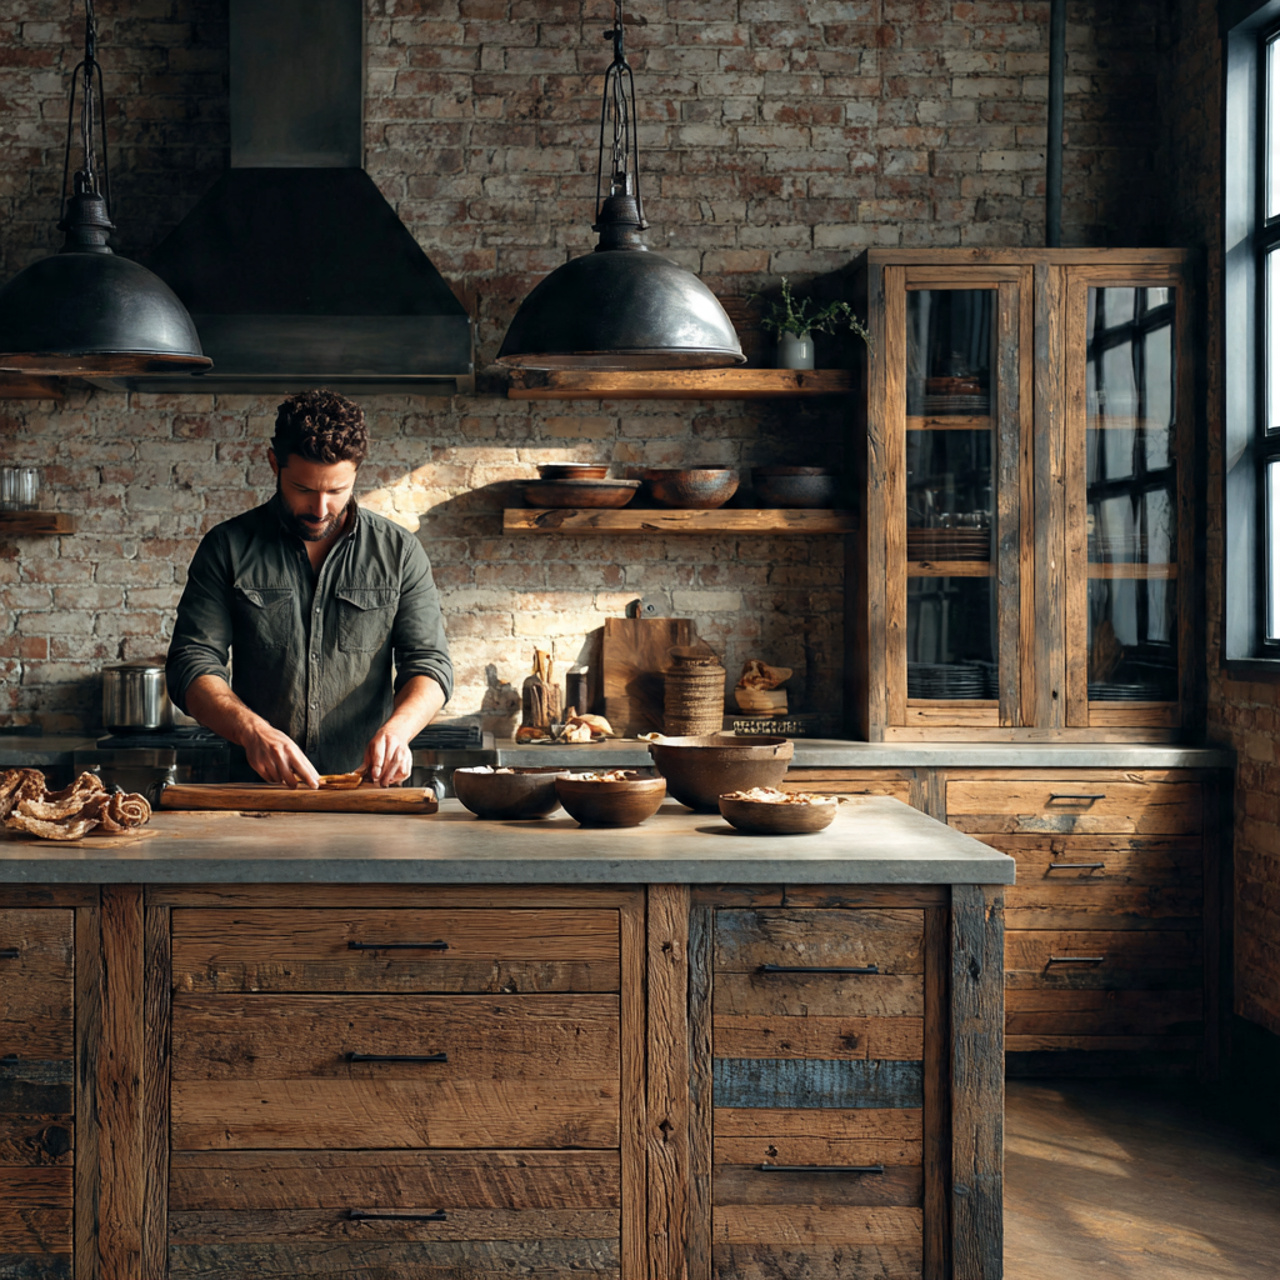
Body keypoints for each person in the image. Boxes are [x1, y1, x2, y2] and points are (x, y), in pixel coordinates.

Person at [166, 390, 452, 788]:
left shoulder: (400, 553)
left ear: (356, 474)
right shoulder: (227, 546)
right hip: (256, 792)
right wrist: (252, 731)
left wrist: (399, 730)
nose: (320, 509)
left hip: (366, 791)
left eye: (336, 491)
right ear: (274, 464)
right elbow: (191, 664)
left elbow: (430, 666)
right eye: (303, 489)